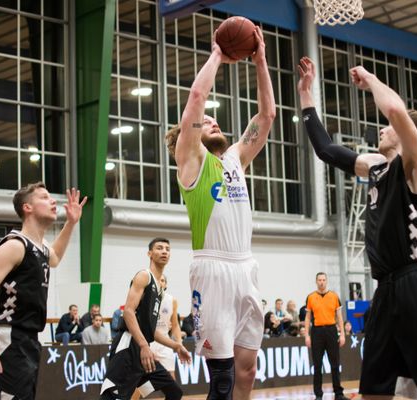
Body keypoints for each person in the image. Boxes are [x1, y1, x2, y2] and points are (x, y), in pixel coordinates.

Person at [297, 57, 417, 399]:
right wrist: (306, 97)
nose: (381, 129)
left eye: (388, 127)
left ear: (408, 132)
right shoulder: (377, 166)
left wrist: (370, 79)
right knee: (374, 391)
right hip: (385, 290)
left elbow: (394, 109)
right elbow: (326, 150)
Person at [165, 26, 274, 400]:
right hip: (212, 270)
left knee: (248, 372)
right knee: (223, 379)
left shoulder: (235, 159)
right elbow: (197, 96)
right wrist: (217, 55)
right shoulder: (191, 161)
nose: (213, 121)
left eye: (215, 119)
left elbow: (267, 115)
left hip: (246, 268)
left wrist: (260, 60)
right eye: (206, 121)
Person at [0, 183, 86, 399]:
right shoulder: (15, 245)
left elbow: (55, 257)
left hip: (30, 338)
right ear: (27, 207)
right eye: (44, 197)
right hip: (10, 335)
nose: (52, 201)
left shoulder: (40, 247)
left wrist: (71, 223)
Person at [100, 238, 191, 400]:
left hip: (144, 351)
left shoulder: (160, 290)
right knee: (113, 397)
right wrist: (143, 345)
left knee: (174, 392)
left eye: (167, 249)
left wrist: (176, 346)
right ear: (150, 253)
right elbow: (128, 312)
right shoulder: (144, 276)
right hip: (129, 345)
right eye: (159, 248)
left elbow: (151, 330)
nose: (164, 251)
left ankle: (137, 386)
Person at [304, 272, 348, 400]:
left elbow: (339, 317)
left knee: (335, 364)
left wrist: (342, 334)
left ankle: (338, 393)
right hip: (317, 332)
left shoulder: (334, 296)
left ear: (326, 281)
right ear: (316, 281)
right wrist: (306, 335)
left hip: (331, 331)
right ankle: (318, 394)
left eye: (323, 280)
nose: (321, 282)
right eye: (319, 280)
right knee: (317, 365)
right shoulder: (311, 297)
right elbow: (307, 318)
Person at [149, 274, 183, 379]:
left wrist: (179, 343)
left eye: (162, 280)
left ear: (166, 284)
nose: (160, 282)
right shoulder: (146, 299)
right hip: (149, 342)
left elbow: (175, 325)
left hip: (165, 342)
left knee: (171, 379)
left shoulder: (172, 300)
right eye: (158, 280)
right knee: (143, 382)